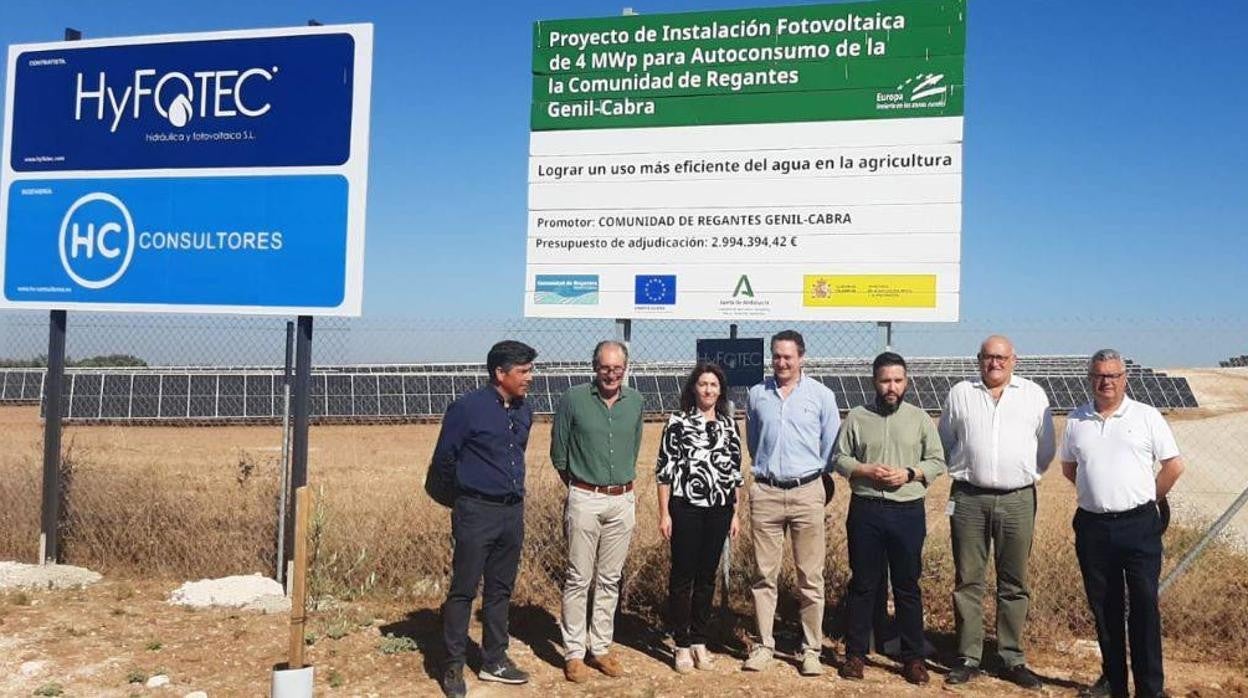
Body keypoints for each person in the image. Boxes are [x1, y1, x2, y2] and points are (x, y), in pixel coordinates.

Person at [1061, 349, 1185, 698]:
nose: (1106, 382)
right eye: (1100, 375)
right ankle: (1115, 685)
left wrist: (1149, 498)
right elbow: (1070, 469)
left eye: (1113, 375)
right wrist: (1099, 497)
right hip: (1093, 528)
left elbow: (1173, 466)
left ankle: (1150, 689)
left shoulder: (1146, 417)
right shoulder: (1076, 420)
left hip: (1139, 526)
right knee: (1105, 608)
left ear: (1124, 378)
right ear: (1090, 378)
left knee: (1144, 607)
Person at [938, 335, 1055, 688]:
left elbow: (1046, 447)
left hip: (1017, 499)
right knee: (968, 579)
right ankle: (968, 655)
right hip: (969, 499)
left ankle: (1011, 656)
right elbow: (946, 440)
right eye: (988, 357)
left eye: (1001, 357)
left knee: (1014, 582)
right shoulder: (961, 393)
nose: (995, 363)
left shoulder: (1033, 394)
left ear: (1014, 360)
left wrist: (1021, 475)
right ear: (978, 359)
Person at [433, 340, 538, 698]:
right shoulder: (466, 409)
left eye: (530, 370)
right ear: (500, 373)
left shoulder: (524, 410)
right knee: (464, 590)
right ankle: (452, 666)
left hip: (511, 512)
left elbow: (515, 455)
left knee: (500, 590)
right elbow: (443, 463)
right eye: (523, 371)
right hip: (475, 512)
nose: (530, 378)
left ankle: (494, 659)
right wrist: (464, 502)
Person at [834, 351, 945, 685]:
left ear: (906, 382)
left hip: (907, 511)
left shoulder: (920, 418)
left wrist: (910, 473)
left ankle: (913, 658)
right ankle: (856, 654)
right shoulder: (857, 417)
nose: (891, 387)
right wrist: (863, 469)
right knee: (864, 584)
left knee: (907, 585)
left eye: (897, 380)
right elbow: (840, 457)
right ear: (874, 382)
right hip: (866, 509)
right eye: (885, 381)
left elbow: (937, 461)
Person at [742, 329, 840, 676]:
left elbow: (829, 446)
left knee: (810, 577)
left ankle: (811, 649)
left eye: (788, 356)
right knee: (763, 575)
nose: (781, 362)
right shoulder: (757, 395)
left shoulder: (822, 396)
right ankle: (764, 645)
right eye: (776, 356)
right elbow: (755, 444)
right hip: (766, 492)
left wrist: (810, 477)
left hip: (806, 491)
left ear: (801, 357)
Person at [551, 340, 645, 683]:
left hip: (623, 499)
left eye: (617, 367)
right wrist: (582, 487)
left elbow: (633, 447)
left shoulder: (636, 401)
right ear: (595, 367)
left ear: (625, 368)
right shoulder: (573, 399)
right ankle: (574, 652)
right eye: (605, 367)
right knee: (579, 577)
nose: (611, 373)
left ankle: (601, 647)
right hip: (584, 496)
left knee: (609, 578)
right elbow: (559, 453)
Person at [655, 362, 744, 674]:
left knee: (707, 577)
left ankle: (699, 640)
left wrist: (735, 513)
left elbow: (735, 474)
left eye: (714, 385)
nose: (708, 389)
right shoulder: (677, 422)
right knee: (683, 577)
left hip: (719, 510)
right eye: (703, 384)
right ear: (694, 388)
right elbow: (664, 471)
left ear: (720, 391)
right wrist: (664, 513)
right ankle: (680, 644)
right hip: (686, 507)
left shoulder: (729, 426)